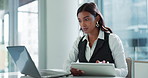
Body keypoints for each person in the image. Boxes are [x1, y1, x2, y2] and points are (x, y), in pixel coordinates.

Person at [64, 2, 128, 77]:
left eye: (86, 19)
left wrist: (107, 70)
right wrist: (71, 70)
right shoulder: (79, 41)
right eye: (80, 20)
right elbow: (67, 64)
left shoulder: (112, 39)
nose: (83, 24)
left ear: (97, 18)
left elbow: (124, 71)